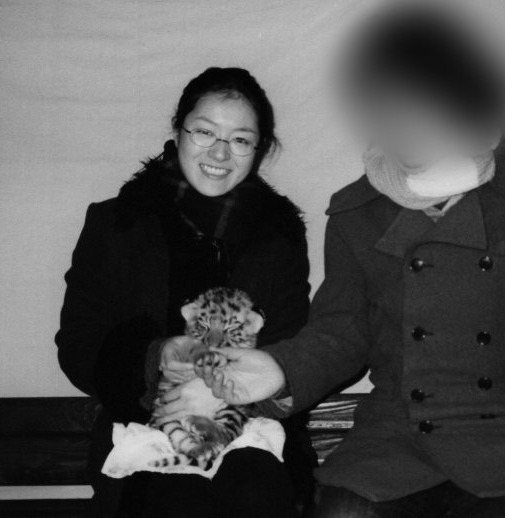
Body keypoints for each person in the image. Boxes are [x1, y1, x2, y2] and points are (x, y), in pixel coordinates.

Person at [194, 7, 505, 518]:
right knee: (342, 512)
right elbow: (342, 331)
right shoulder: (356, 211)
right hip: (395, 435)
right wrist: (280, 369)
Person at [56, 67, 316, 518]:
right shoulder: (117, 224)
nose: (220, 152)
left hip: (254, 439)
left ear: (258, 149)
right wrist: (156, 357)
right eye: (205, 131)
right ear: (178, 131)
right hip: (144, 439)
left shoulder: (279, 236)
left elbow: (294, 350)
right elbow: (78, 347)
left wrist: (227, 392)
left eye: (240, 139)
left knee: (255, 496)